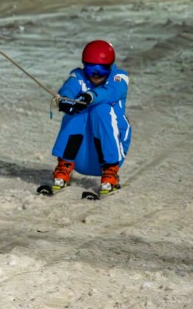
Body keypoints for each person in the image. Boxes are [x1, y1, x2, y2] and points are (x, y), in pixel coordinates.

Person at [44, 39, 132, 197]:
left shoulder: (119, 77)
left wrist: (89, 96)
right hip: (80, 154)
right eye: (91, 69)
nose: (96, 74)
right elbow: (69, 88)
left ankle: (110, 173)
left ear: (110, 67)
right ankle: (64, 166)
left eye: (101, 70)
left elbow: (110, 92)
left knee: (101, 109)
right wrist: (65, 101)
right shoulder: (79, 76)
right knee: (77, 111)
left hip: (111, 153)